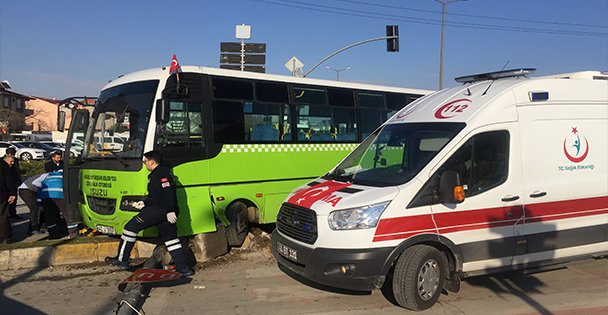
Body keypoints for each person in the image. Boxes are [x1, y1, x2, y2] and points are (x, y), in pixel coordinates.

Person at [105, 150, 193, 276]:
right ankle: (184, 268)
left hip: (159, 211)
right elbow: (156, 195)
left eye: (145, 161)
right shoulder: (159, 173)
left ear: (152, 162)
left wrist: (170, 211)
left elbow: (168, 194)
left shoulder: (161, 174)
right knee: (171, 240)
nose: (145, 164)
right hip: (162, 211)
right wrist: (144, 203)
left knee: (130, 228)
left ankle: (122, 260)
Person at [0, 155, 17, 244]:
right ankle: (6, 237)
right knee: (3, 215)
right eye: (11, 162)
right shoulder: (5, 167)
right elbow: (9, 181)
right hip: (2, 194)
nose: (12, 164)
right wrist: (13, 194)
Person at [4, 147, 23, 220]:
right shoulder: (2, 160)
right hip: (6, 182)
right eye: (11, 154)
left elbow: (17, 170)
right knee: (6, 199)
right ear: (7, 154)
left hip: (14, 181)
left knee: (14, 199)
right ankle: (6, 214)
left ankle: (13, 213)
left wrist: (19, 179)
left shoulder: (15, 160)